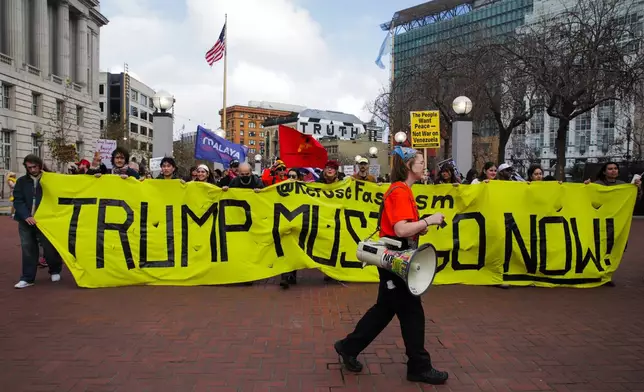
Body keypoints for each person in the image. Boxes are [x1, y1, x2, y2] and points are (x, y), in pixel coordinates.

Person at [334, 146, 448, 385]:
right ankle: (418, 365)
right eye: (419, 162)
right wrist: (429, 220)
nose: (423, 166)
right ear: (408, 166)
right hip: (397, 259)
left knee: (385, 310)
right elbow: (401, 230)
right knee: (411, 312)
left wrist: (420, 224)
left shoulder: (401, 190)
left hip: (397, 258)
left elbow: (404, 226)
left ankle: (348, 346)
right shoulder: (399, 192)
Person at [12, 155, 63, 289]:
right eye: (29, 167)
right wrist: (26, 216)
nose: (33, 170)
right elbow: (18, 200)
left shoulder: (50, 179)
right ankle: (27, 278)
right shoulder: (22, 182)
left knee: (49, 247)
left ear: (40, 166)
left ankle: (55, 270)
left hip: (45, 221)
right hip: (26, 221)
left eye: (35, 166)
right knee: (28, 248)